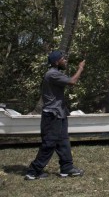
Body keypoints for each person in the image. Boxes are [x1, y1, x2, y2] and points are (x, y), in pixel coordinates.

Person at [24, 51, 86, 180]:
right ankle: (33, 171)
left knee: (63, 142)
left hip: (60, 113)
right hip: (52, 116)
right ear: (57, 62)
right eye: (63, 59)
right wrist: (80, 68)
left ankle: (67, 168)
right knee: (49, 144)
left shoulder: (56, 73)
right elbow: (72, 81)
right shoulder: (52, 74)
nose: (66, 61)